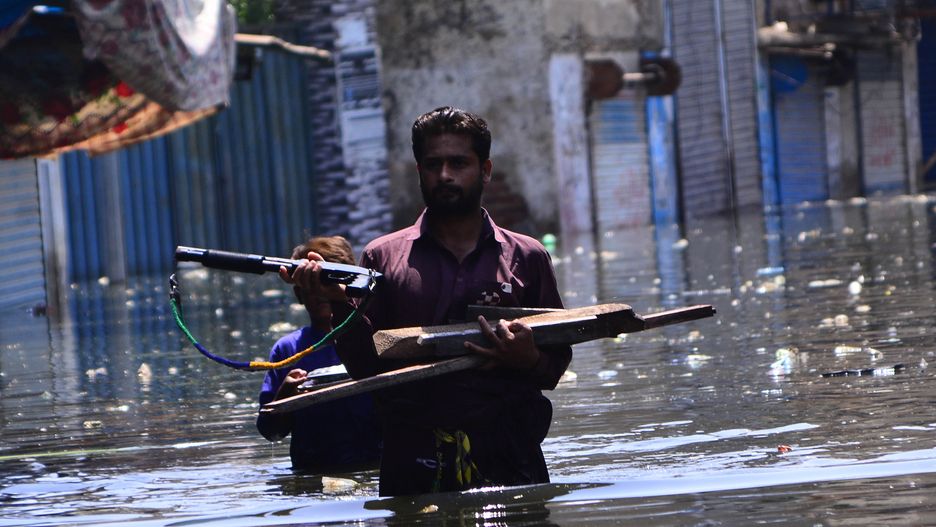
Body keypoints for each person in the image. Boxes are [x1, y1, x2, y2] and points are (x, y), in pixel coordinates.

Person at [284, 106, 572, 496]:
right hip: (414, 465)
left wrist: (528, 359)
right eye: (433, 164)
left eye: (459, 163)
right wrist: (338, 304)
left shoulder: (527, 256)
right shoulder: (383, 259)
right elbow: (367, 368)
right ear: (419, 171)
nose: (445, 176)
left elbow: (554, 369)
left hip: (510, 458)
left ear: (484, 170)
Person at [257, 235, 381, 472]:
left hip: (376, 467)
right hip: (313, 473)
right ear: (299, 295)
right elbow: (270, 431)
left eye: (330, 282)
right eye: (313, 284)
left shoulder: (376, 335)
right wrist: (286, 394)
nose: (324, 292)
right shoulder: (288, 350)